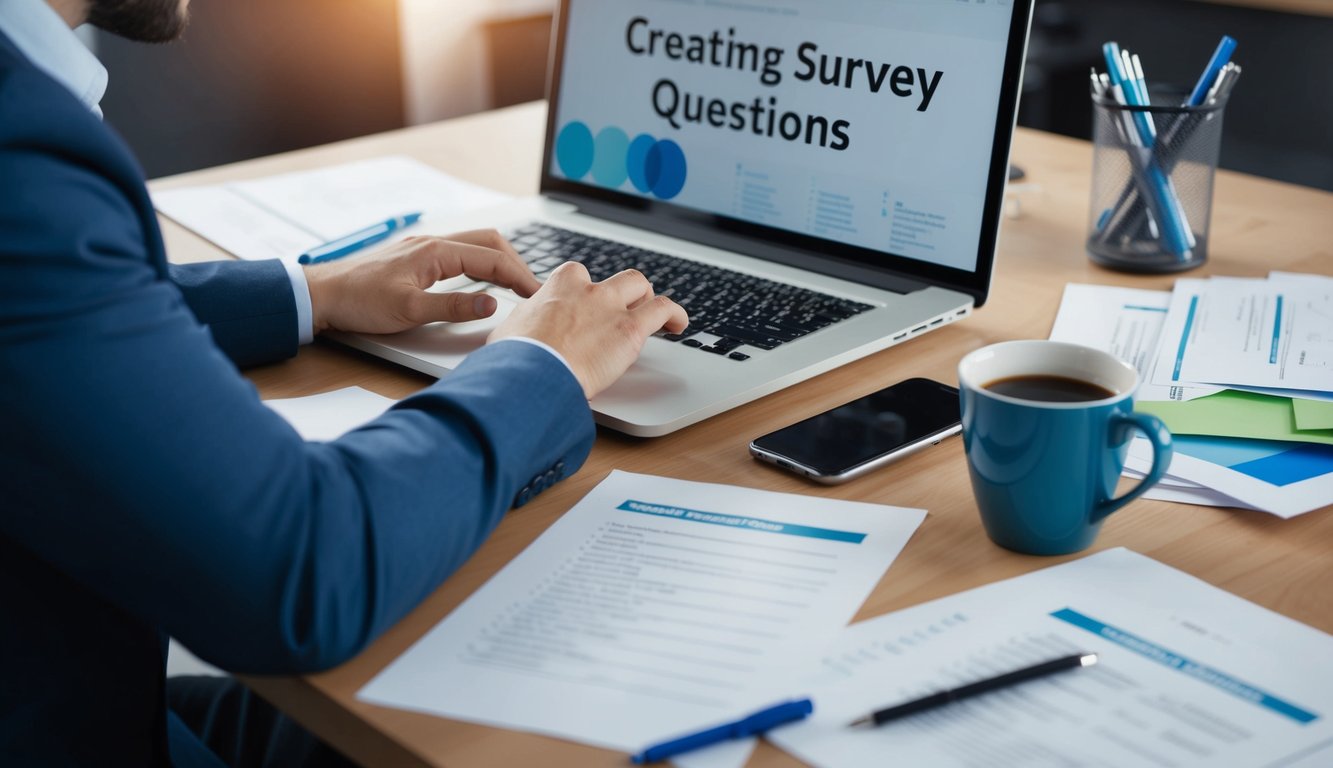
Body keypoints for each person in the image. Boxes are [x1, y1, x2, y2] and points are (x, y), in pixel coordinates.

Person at [0, 0, 688, 765]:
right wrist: (539, 364)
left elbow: (47, 306)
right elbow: (301, 571)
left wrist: (311, 294)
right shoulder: (18, 145)